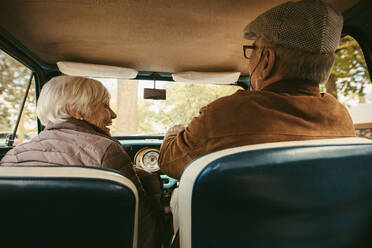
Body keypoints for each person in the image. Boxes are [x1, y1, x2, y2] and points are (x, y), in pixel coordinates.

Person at [158, 0, 356, 180]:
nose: (250, 59)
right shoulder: (341, 118)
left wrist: (174, 132)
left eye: (253, 50)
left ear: (267, 60)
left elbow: (168, 161)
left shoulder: (227, 114)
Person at [0, 75, 163, 248]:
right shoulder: (106, 151)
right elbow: (143, 232)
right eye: (105, 105)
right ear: (75, 111)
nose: (113, 115)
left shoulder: (12, 157)